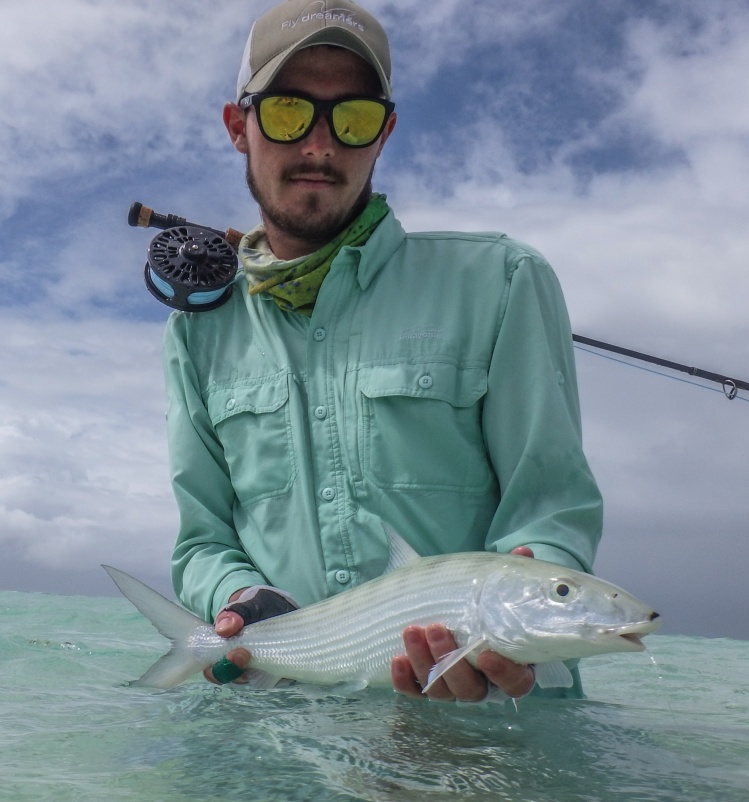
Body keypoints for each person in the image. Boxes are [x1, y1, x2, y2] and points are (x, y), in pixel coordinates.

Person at [163, 0, 603, 703]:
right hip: (282, 725)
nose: (319, 145)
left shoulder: (502, 280)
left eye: (353, 117)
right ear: (237, 127)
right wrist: (238, 595)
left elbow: (547, 511)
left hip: (492, 726)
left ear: (385, 131)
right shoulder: (197, 332)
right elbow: (201, 540)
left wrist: (514, 624)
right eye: (285, 112)